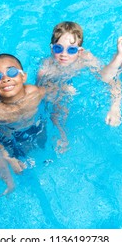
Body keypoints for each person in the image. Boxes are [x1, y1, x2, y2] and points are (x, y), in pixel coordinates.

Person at [36, 21, 102, 153]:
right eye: (58, 48)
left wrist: (115, 107)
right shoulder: (46, 68)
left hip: (70, 80)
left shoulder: (86, 59)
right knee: (58, 105)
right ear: (51, 48)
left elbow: (107, 78)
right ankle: (61, 135)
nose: (64, 54)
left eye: (71, 50)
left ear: (80, 51)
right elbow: (38, 93)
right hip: (54, 83)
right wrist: (62, 88)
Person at [0, 53, 47, 159]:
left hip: (36, 127)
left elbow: (53, 93)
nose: (5, 79)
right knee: (19, 164)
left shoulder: (34, 92)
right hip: (10, 139)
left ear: (23, 77)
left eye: (12, 72)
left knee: (43, 149)